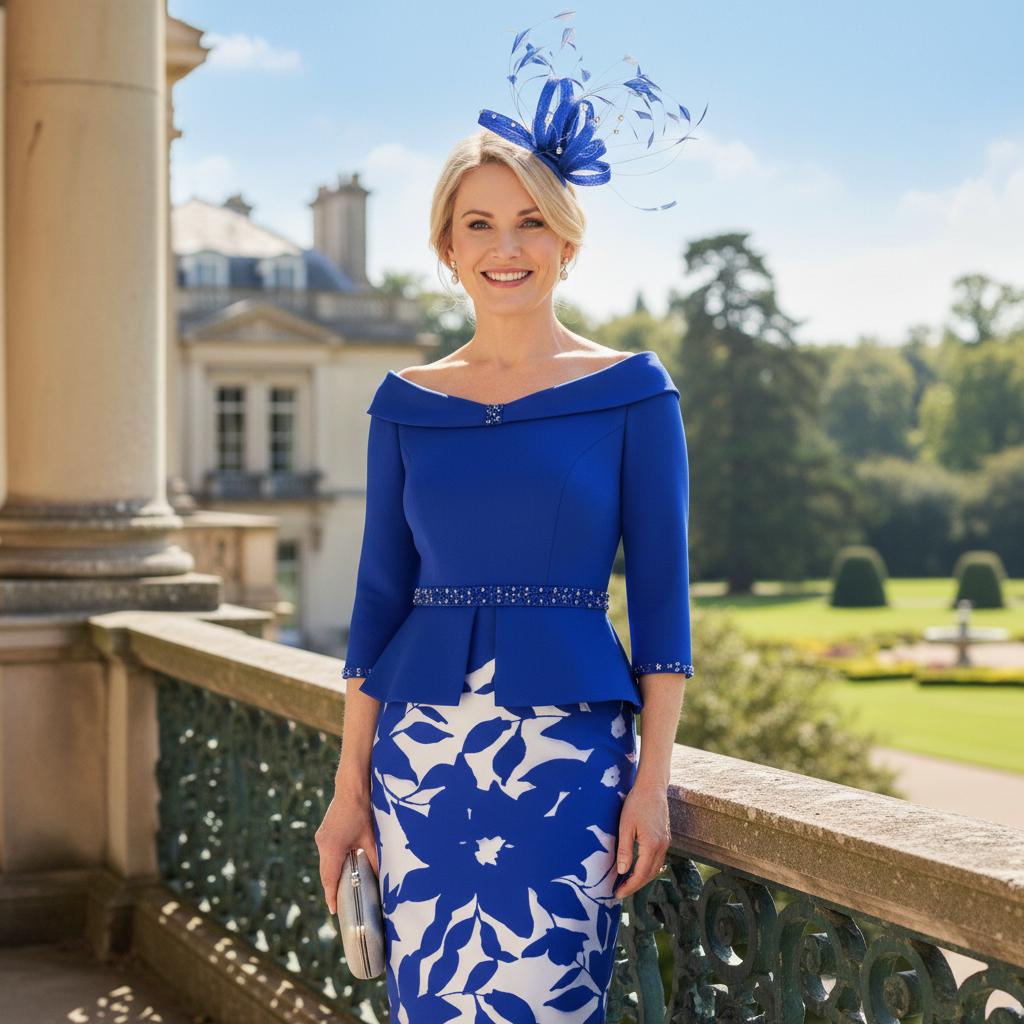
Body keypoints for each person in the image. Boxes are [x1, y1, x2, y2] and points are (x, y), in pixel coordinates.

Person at [317, 14, 699, 1022]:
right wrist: (348, 785)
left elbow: (661, 605)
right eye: (479, 224)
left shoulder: (633, 392)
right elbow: (376, 604)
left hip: (568, 762)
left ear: (567, 238)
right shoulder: (405, 399)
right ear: (445, 248)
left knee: (548, 996)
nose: (506, 246)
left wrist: (652, 779)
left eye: (529, 220)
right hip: (421, 759)